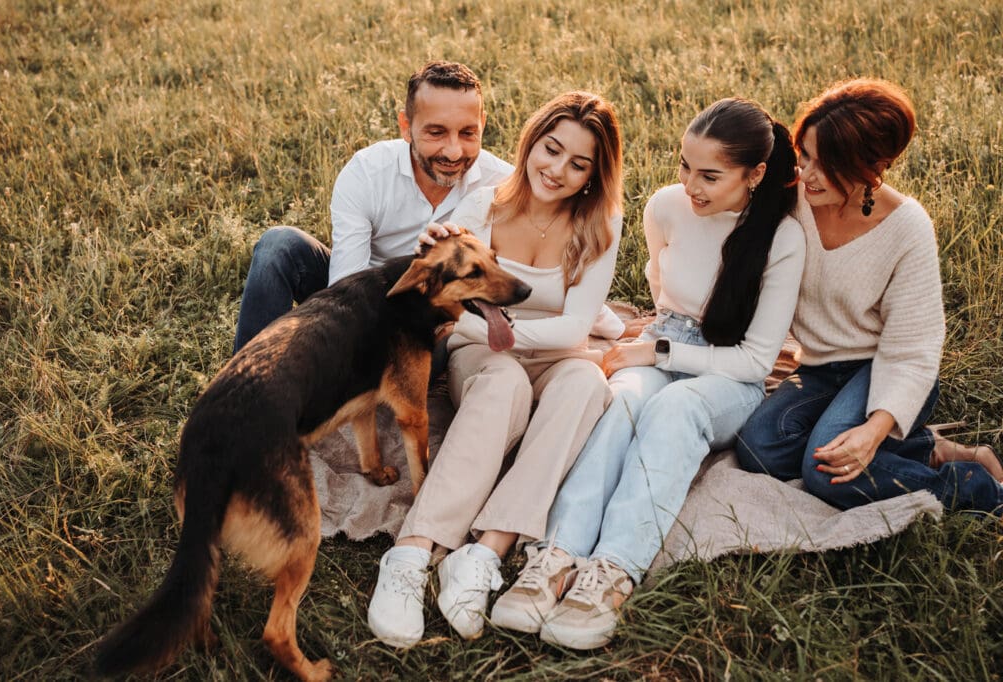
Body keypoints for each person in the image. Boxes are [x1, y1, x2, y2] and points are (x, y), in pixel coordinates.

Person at [491, 98, 806, 650]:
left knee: (674, 409)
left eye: (710, 175)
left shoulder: (782, 238)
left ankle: (612, 570)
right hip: (667, 340)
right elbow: (663, 296)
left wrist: (660, 353)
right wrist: (657, 349)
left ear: (755, 174)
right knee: (623, 400)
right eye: (685, 166)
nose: (691, 185)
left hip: (731, 375)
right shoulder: (665, 207)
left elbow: (756, 362)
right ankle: (556, 556)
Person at [366, 91, 624, 648]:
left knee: (587, 382)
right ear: (532, 142)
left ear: (594, 176)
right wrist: (489, 336)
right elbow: (446, 302)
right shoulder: (483, 203)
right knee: (504, 379)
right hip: (479, 352)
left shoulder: (602, 223)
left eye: (578, 164)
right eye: (551, 150)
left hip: (557, 354)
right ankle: (412, 553)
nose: (557, 170)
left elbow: (574, 329)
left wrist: (503, 331)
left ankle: (485, 553)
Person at [735, 79, 1003, 516]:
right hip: (820, 368)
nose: (807, 174)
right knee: (758, 449)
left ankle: (974, 486)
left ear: (874, 167)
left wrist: (876, 429)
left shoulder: (907, 228)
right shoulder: (793, 197)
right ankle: (926, 448)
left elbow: (913, 351)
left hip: (885, 368)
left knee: (826, 472)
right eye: (805, 154)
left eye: (829, 164)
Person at [232, 60, 512, 353]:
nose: (454, 151)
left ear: (483, 123)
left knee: (440, 342)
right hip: (364, 295)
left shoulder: (504, 184)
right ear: (406, 126)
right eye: (436, 132)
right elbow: (345, 291)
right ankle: (246, 384)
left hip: (440, 315)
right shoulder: (367, 173)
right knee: (279, 245)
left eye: (468, 133)